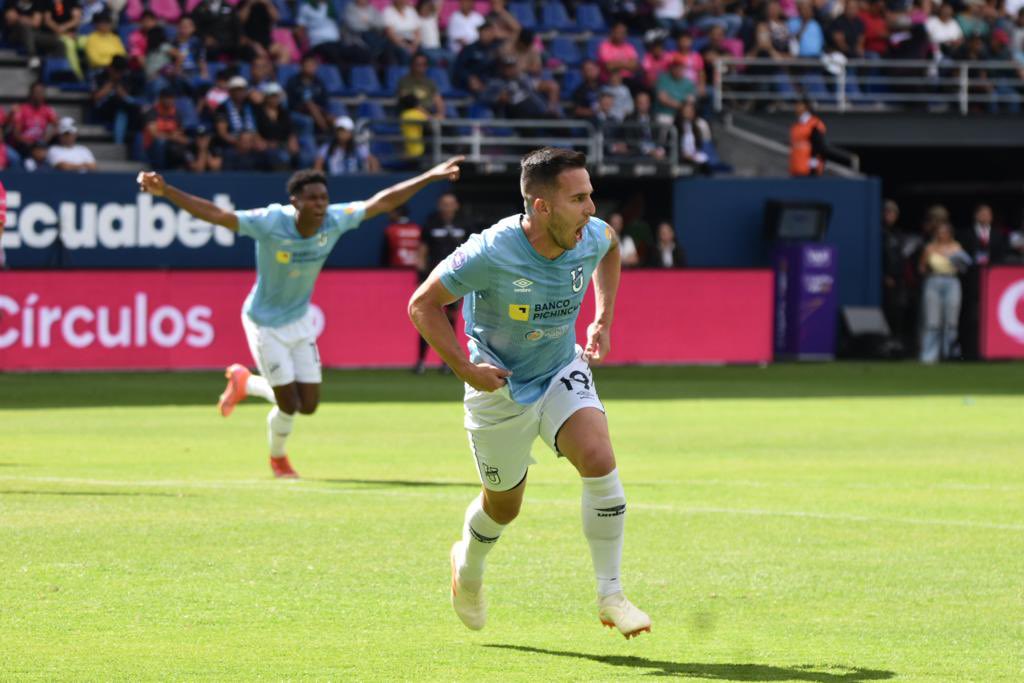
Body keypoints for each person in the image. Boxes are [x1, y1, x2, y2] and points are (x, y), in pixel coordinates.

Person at [407, 147, 651, 638]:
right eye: (578, 198)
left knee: (600, 459)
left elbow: (611, 247)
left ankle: (611, 594)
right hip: (497, 389)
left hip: (561, 369)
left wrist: (601, 319)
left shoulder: (590, 236)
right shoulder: (491, 251)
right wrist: (465, 369)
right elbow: (422, 304)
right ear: (541, 206)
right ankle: (469, 568)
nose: (591, 209)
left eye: (591, 195)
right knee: (504, 507)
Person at [137, 156, 464, 478]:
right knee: (288, 404)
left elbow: (382, 202)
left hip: (299, 320)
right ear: (295, 201)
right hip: (263, 322)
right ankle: (278, 458)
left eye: (323, 197)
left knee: (307, 405)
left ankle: (245, 382)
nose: (320, 204)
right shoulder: (269, 222)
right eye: (312, 198)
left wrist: (429, 177)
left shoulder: (336, 219)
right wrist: (167, 191)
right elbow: (218, 215)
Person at [414, 192, 468, 373]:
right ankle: (421, 361)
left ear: (456, 206)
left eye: (450, 204)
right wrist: (421, 275)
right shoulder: (431, 223)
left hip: (455, 279)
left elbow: (472, 253)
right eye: (444, 204)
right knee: (427, 319)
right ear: (439, 205)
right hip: (433, 278)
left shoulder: (464, 224)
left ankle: (447, 363)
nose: (447, 207)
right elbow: (422, 250)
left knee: (451, 320)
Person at [918, 221, 969, 364]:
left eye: (945, 232)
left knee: (951, 321)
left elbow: (964, 267)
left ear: (950, 234)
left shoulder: (956, 247)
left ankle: (950, 354)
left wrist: (957, 263)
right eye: (940, 232)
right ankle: (928, 357)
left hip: (952, 282)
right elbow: (921, 268)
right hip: (934, 282)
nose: (942, 234)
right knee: (932, 321)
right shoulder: (929, 248)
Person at [789, 97, 826, 177]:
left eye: (799, 105)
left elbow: (819, 144)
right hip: (796, 167)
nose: (796, 107)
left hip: (809, 168)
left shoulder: (814, 124)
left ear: (805, 107)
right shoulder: (796, 125)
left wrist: (814, 161)